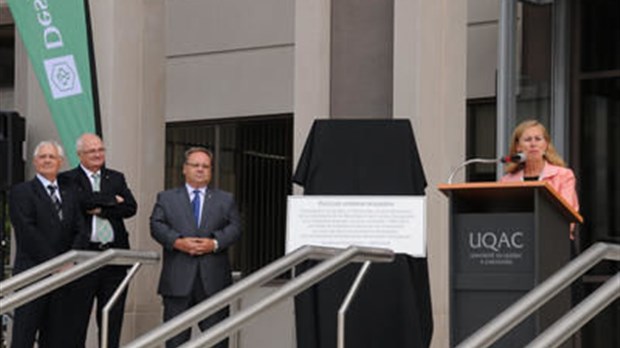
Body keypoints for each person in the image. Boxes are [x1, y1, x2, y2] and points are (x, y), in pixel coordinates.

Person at [150, 147, 241, 348]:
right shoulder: (166, 198)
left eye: (205, 166)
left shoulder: (225, 199)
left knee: (217, 341)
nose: (200, 170)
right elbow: (156, 225)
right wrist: (177, 242)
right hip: (177, 282)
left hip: (214, 284)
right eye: (195, 165)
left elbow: (235, 228)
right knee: (175, 341)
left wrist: (215, 243)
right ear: (184, 168)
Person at [58, 133, 137, 347]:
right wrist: (112, 200)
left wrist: (101, 207)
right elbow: (79, 203)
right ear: (79, 154)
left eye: (100, 150)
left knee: (112, 319)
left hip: (114, 257)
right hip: (84, 256)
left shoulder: (116, 177)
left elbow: (131, 207)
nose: (97, 154)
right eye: (92, 151)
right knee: (77, 319)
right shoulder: (67, 178)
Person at [9, 141, 88, 348]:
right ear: (35, 162)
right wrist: (57, 263)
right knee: (24, 337)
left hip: (62, 279)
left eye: (51, 157)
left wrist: (70, 261)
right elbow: (28, 233)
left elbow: (81, 229)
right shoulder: (21, 192)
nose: (47, 160)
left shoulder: (70, 193)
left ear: (60, 162)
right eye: (42, 157)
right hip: (32, 275)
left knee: (57, 338)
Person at [500, 119, 579, 237]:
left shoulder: (563, 175)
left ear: (546, 144)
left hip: (555, 240)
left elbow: (568, 214)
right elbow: (502, 217)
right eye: (527, 140)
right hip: (517, 242)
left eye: (538, 139)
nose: (533, 144)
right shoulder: (507, 181)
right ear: (518, 147)